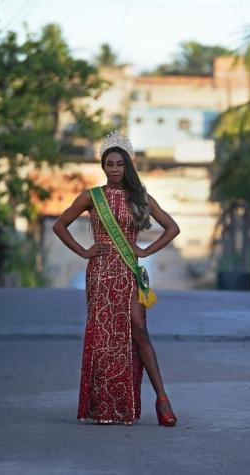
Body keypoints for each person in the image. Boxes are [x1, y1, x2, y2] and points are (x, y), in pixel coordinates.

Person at [52, 131, 180, 426]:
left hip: (128, 271)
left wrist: (145, 249)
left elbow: (172, 227)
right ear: (103, 166)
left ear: (127, 166)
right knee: (105, 338)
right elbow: (59, 225)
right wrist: (84, 251)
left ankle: (162, 399)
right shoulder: (91, 197)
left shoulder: (140, 197)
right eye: (109, 164)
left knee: (138, 330)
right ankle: (105, 406)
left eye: (119, 164)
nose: (114, 169)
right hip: (100, 274)